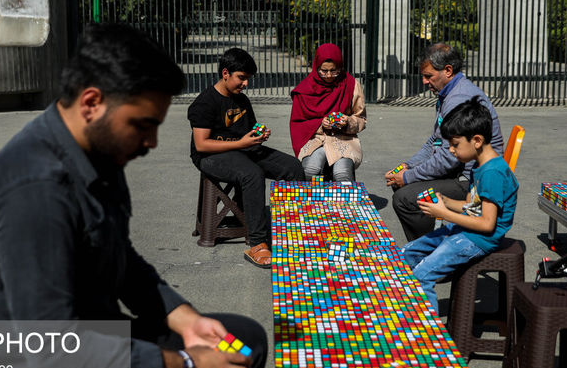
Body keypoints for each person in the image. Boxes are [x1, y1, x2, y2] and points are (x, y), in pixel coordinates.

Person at [0, 24, 267, 368]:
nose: (151, 142)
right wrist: (183, 367)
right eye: (142, 125)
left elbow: (120, 257)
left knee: (241, 342)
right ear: (92, 103)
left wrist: (183, 317)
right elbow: (52, 348)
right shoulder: (36, 190)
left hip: (84, 342)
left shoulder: (96, 153)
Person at [188, 48, 305, 269]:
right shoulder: (205, 103)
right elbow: (202, 144)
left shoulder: (241, 100)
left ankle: (292, 228)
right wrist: (241, 143)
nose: (245, 84)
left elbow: (248, 130)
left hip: (242, 149)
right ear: (225, 73)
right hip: (210, 155)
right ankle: (257, 243)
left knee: (293, 167)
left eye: (248, 79)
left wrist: (259, 135)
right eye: (241, 78)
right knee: (252, 174)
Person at [401, 97, 519, 314]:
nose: (452, 150)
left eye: (455, 145)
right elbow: (470, 205)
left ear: (476, 140)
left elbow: (486, 224)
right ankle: (399, 308)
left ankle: (427, 331)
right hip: (465, 230)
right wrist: (445, 201)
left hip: (478, 239)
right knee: (404, 254)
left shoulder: (492, 173)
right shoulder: (480, 165)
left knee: (421, 276)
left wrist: (444, 213)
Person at [385, 43, 504, 242]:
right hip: (459, 169)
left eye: (428, 76)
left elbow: (449, 157)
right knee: (402, 185)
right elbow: (435, 141)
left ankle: (430, 247)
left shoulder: (459, 98)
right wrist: (408, 166)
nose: (424, 81)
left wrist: (408, 177)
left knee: (404, 198)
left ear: (448, 71)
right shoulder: (448, 93)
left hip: (470, 179)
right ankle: (427, 245)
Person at [289, 43, 367, 181]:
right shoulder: (305, 89)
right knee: (310, 170)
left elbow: (361, 118)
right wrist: (320, 124)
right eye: (324, 71)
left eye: (334, 70)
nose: (329, 75)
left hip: (344, 139)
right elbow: (298, 122)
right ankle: (313, 196)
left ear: (340, 67)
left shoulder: (351, 85)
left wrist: (348, 122)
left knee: (342, 173)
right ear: (316, 67)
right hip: (315, 139)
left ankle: (344, 196)